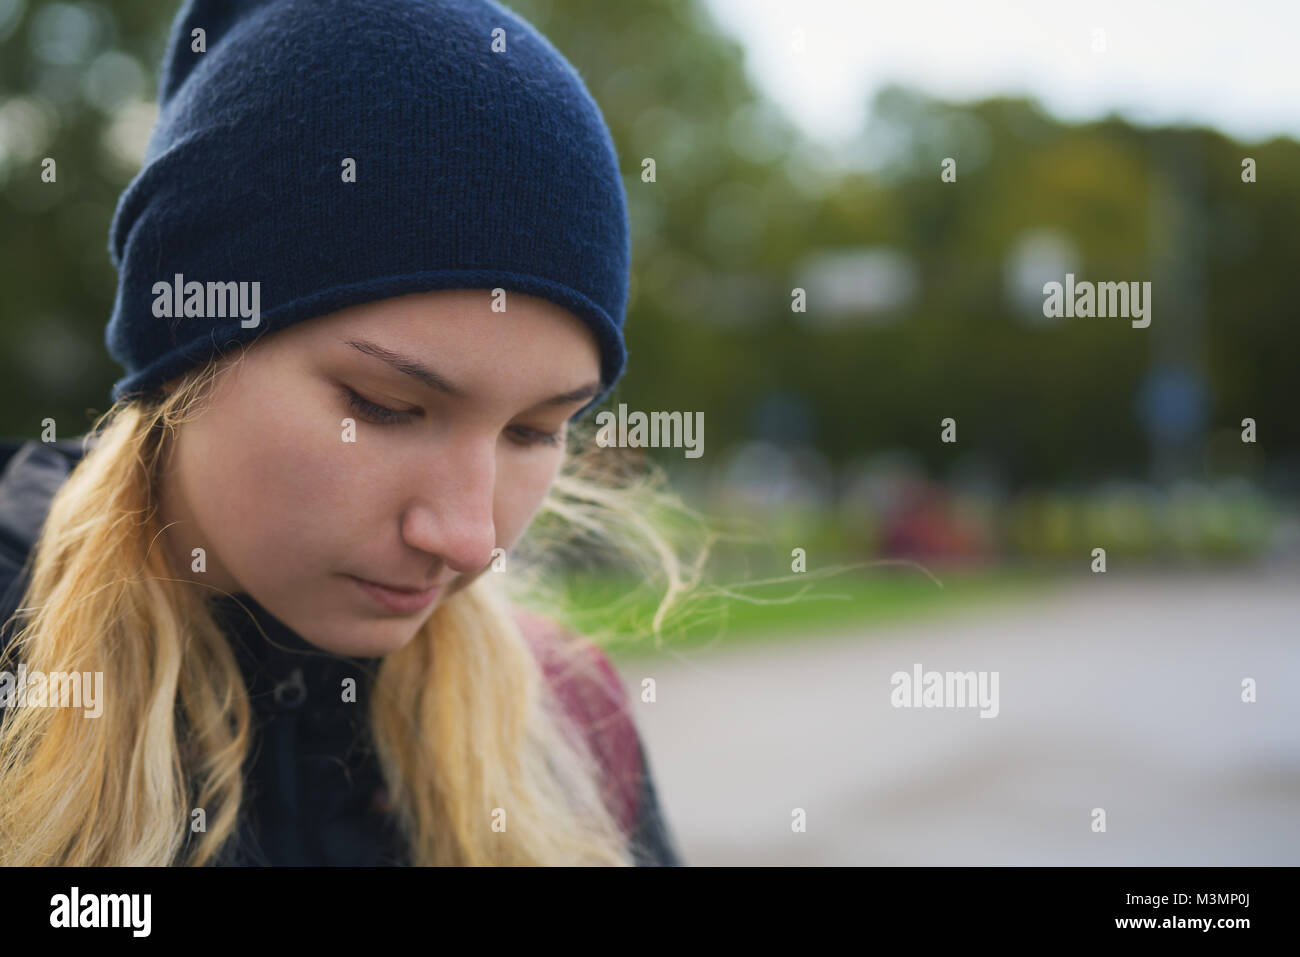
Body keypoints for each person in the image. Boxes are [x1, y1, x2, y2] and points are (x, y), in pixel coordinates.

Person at [0, 0, 692, 866]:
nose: (470, 540)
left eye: (535, 430)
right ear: (182, 337)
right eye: (384, 406)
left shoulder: (570, 727)